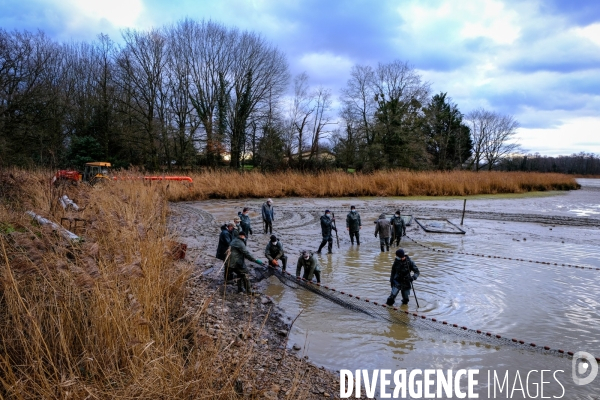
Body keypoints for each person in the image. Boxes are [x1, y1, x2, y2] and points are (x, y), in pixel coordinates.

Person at [228, 231, 263, 295]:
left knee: (240, 274)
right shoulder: (240, 243)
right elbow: (246, 253)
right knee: (245, 273)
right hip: (236, 262)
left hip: (231, 262)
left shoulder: (235, 240)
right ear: (241, 236)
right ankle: (249, 290)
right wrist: (255, 260)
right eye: (244, 237)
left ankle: (240, 288)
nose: (245, 238)